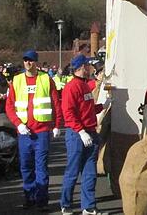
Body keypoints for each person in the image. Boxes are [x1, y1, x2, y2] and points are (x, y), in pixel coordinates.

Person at [6, 49, 62, 210]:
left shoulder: (46, 79)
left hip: (42, 131)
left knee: (41, 167)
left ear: (36, 62)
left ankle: (42, 201)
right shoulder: (16, 81)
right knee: (25, 166)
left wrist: (57, 124)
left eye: (30, 60)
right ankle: (29, 197)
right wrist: (18, 124)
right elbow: (9, 106)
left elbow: (56, 103)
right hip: (24, 132)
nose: (28, 63)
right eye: (25, 60)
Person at [60, 55, 103, 215]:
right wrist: (81, 131)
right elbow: (69, 113)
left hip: (89, 132)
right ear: (82, 67)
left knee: (90, 172)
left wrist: (101, 107)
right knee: (73, 171)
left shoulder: (85, 86)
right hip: (77, 134)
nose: (90, 69)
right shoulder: (71, 87)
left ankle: (89, 206)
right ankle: (66, 205)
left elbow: (87, 109)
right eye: (88, 66)